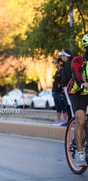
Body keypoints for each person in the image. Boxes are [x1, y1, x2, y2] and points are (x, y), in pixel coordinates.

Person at [67, 34, 88, 167]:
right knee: (81, 120)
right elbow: (76, 73)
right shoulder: (78, 60)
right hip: (77, 93)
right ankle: (80, 153)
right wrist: (82, 83)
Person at [52, 58, 68, 125]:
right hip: (55, 91)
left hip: (60, 92)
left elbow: (63, 81)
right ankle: (58, 120)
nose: (55, 65)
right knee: (57, 107)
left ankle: (66, 120)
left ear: (60, 63)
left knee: (63, 106)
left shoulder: (62, 71)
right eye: (55, 63)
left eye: (56, 63)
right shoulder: (57, 71)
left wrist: (62, 91)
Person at [59, 48, 73, 126]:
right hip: (69, 86)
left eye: (63, 55)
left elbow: (67, 76)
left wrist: (63, 84)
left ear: (66, 56)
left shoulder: (68, 64)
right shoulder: (70, 63)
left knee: (70, 104)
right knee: (69, 103)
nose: (62, 57)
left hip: (68, 86)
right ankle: (71, 120)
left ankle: (71, 120)